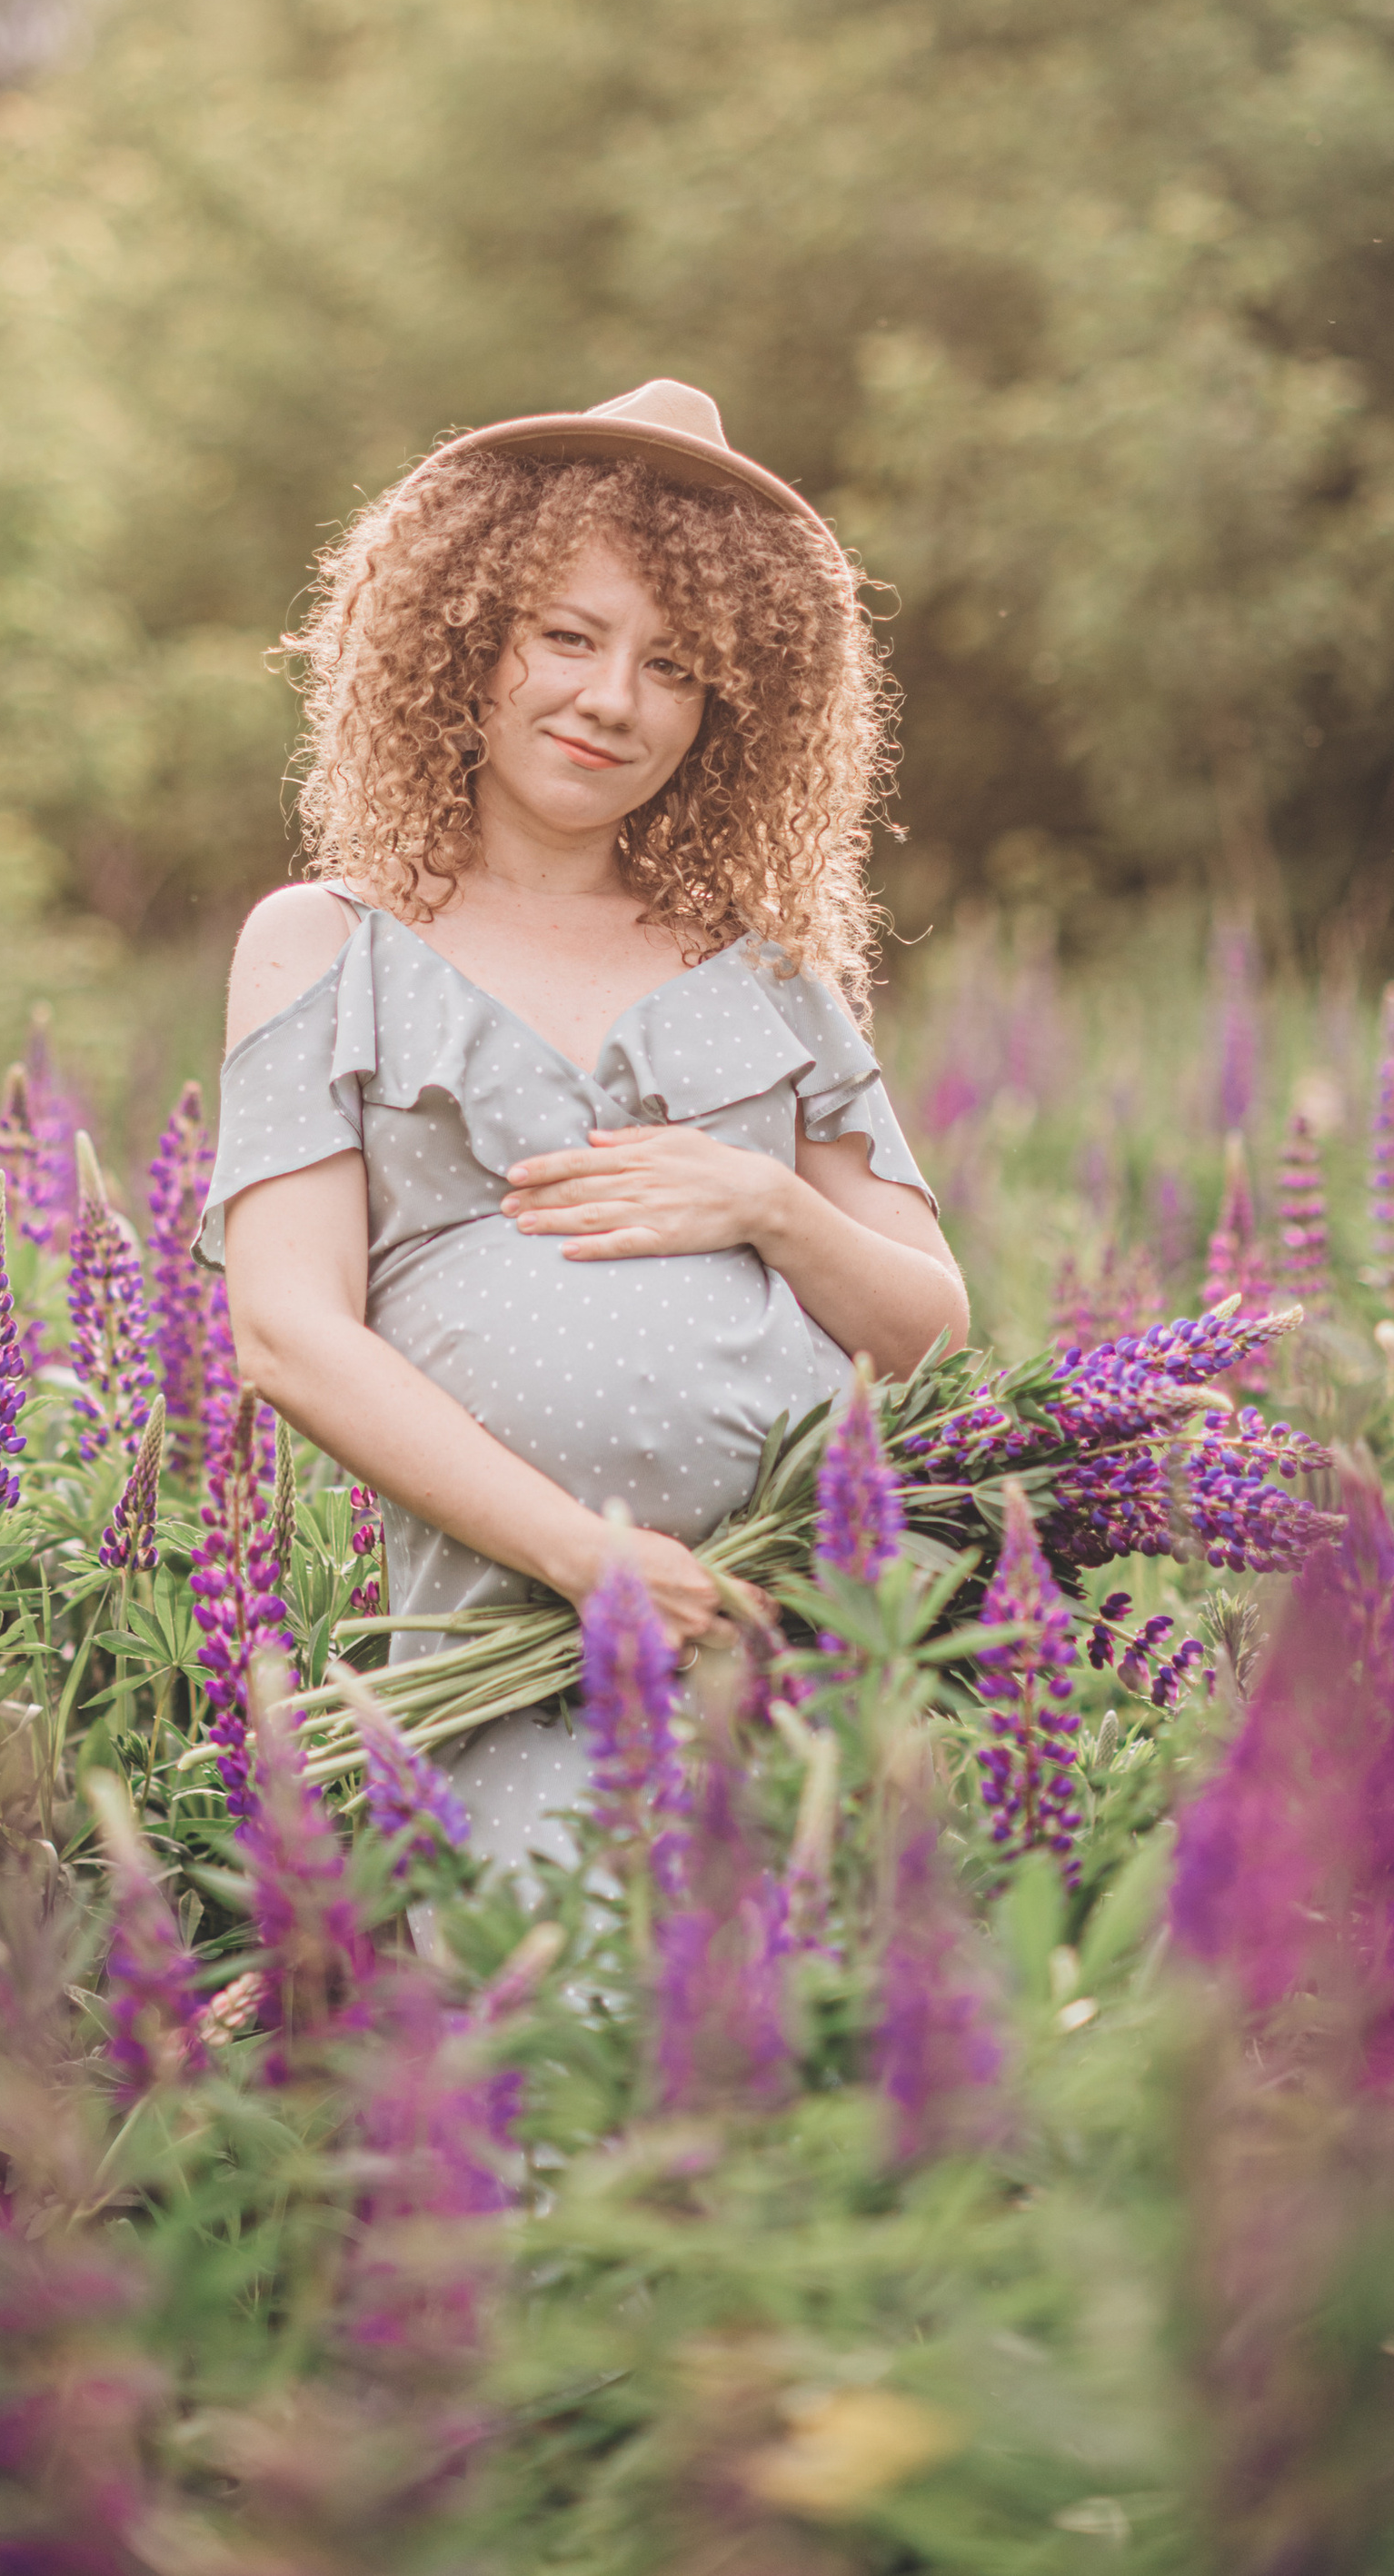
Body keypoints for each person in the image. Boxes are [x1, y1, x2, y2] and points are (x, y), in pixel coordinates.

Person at [204, 380, 968, 1868]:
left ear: (727, 709)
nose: (613, 699)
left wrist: (772, 1210)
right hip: (522, 1659)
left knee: (825, 2071)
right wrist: (593, 1560)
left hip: (809, 1643)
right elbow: (286, 1332)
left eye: (673, 665)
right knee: (575, 2049)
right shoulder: (325, 945)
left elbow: (937, 1330)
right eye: (567, 635)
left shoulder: (771, 975)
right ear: (464, 636)